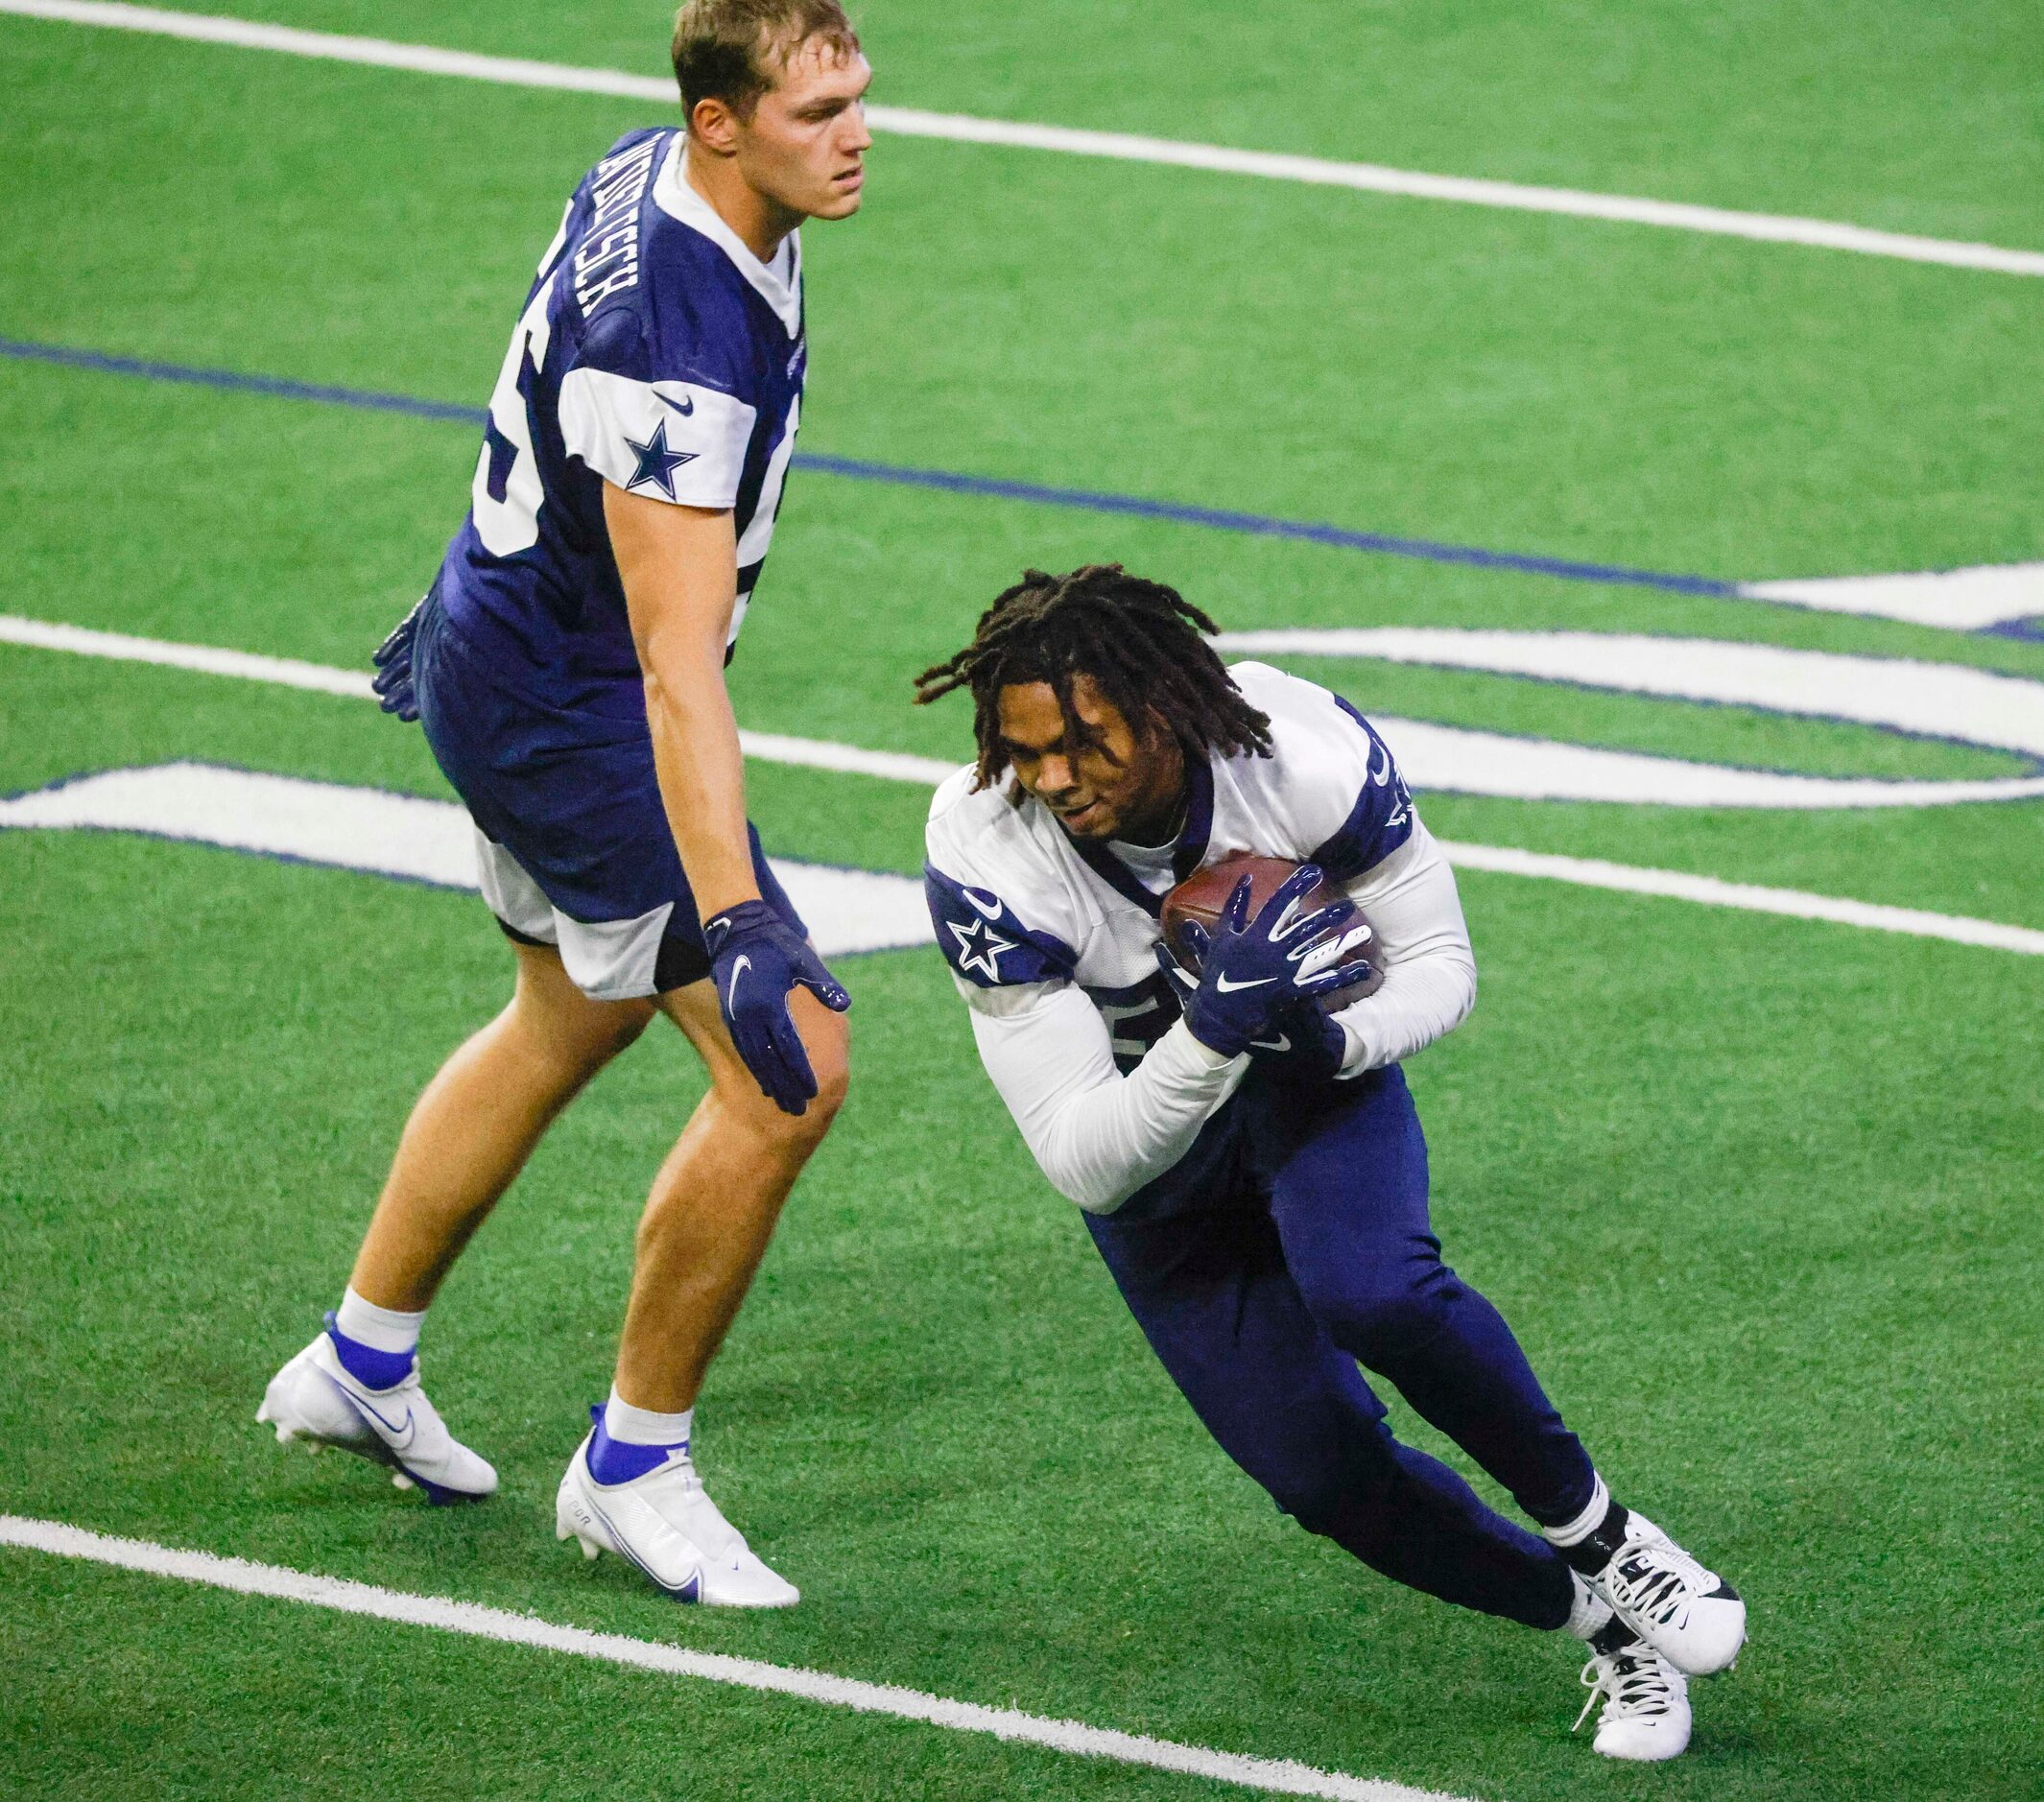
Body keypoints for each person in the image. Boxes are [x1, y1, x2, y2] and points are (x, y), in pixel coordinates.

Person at [915, 564, 1746, 1760]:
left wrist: (1324, 1035)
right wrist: (1211, 1034)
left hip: (1310, 1085)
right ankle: (1602, 1624)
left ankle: (1611, 1537)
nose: (1051, 779)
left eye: (1083, 743)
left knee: (1378, 1289)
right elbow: (1086, 1159)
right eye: (1022, 748)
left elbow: (1443, 962)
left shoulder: (1294, 748)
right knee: (1323, 1479)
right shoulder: (985, 845)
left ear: (1165, 705)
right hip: (1159, 1167)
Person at [257, 0, 873, 1607]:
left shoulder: (652, 167)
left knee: (564, 1010)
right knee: (789, 1069)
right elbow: (678, 668)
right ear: (722, 121)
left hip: (501, 636)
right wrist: (736, 918)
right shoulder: (676, 337)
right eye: (816, 111)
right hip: (571, 708)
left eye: (859, 95)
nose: (857, 133)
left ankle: (359, 1355)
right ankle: (632, 1464)